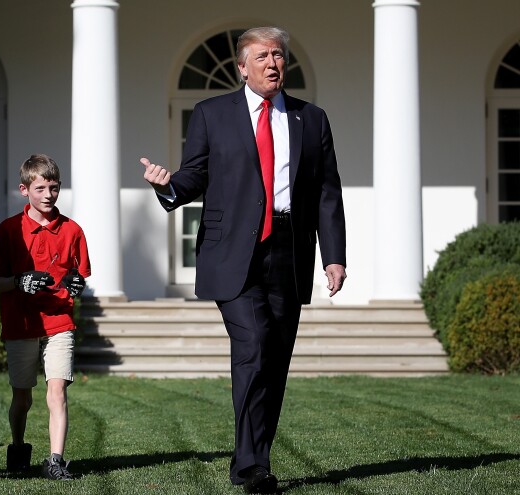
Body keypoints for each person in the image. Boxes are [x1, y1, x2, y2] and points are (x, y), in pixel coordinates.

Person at [140, 26, 347, 494]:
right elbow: (193, 177)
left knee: (274, 359)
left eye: (278, 55)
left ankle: (253, 458)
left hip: (290, 249)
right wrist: (165, 184)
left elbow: (327, 192)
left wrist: (334, 256)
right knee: (253, 345)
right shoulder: (212, 114)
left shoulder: (311, 119)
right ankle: (253, 466)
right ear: (242, 66)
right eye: (262, 56)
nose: (273, 63)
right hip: (234, 252)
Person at [0, 154, 91, 481]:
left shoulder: (72, 230)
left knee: (57, 390)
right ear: (24, 189)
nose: (48, 195)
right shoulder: (8, 230)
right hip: (22, 324)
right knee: (22, 396)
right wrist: (19, 281)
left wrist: (77, 284)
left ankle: (55, 460)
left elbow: (79, 277)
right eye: (41, 188)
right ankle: (18, 447)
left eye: (54, 187)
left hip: (60, 321)